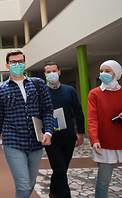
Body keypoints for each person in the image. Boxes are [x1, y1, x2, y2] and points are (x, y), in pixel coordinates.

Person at [0, 49, 54, 198]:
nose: (17, 64)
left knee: (30, 185)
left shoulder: (38, 84)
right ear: (7, 65)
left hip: (36, 142)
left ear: (25, 63)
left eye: (20, 61)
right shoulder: (0, 90)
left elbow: (47, 110)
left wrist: (49, 131)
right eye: (13, 62)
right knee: (23, 185)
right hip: (13, 142)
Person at [43, 62, 85, 198]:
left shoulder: (69, 90)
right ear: (45, 74)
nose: (51, 74)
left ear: (59, 72)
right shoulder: (42, 92)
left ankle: (54, 191)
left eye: (54, 71)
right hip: (52, 138)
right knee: (60, 170)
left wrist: (80, 133)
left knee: (62, 168)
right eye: (48, 72)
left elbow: (78, 111)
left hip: (69, 136)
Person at [87, 60, 122, 198]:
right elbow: (92, 119)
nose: (103, 74)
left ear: (116, 73)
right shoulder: (94, 94)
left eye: (108, 71)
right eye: (101, 71)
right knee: (103, 180)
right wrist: (94, 139)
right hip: (105, 142)